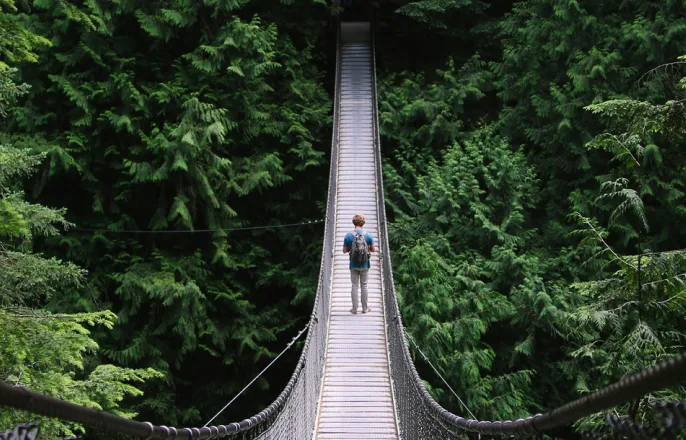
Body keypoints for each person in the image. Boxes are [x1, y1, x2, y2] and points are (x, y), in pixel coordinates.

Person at [342, 213, 376, 314]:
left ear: (354, 222)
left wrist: (351, 248)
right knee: (364, 286)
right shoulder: (368, 235)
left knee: (354, 286)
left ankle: (354, 309)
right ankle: (365, 309)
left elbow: (344, 250)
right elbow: (373, 250)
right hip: (365, 264)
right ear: (363, 223)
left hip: (353, 265)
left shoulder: (348, 235)